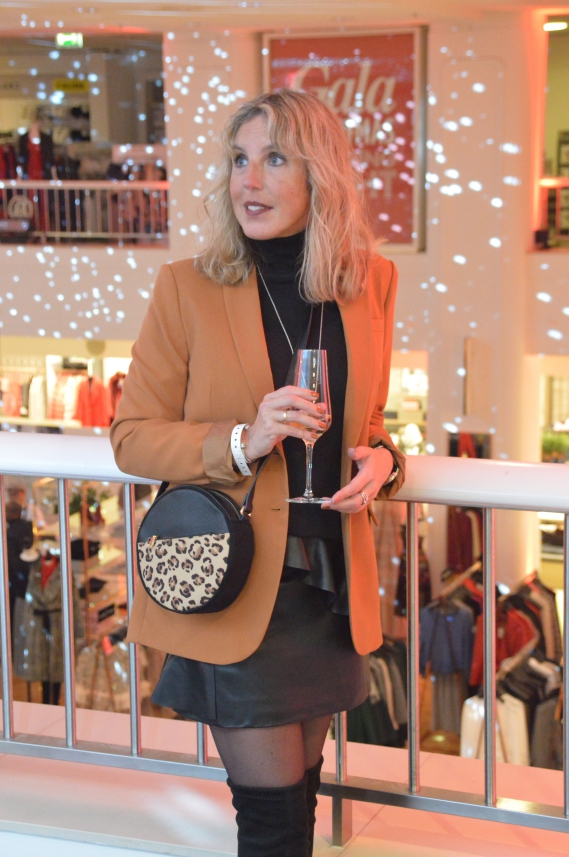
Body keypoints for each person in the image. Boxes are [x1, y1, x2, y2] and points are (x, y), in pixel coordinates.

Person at [111, 89, 405, 857]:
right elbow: (131, 439)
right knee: (273, 825)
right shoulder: (187, 286)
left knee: (297, 806)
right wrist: (245, 439)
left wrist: (385, 460)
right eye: (239, 159)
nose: (249, 179)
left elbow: (368, 422)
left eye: (274, 159)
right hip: (238, 585)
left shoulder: (369, 282)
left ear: (320, 174)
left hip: (326, 587)